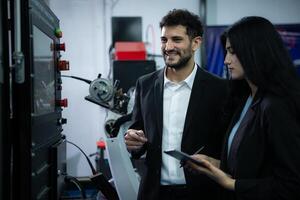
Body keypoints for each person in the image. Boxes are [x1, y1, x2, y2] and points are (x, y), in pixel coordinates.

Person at [185, 16, 300, 200]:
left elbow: (291, 184)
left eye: (232, 52)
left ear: (255, 51)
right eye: (226, 52)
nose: (226, 61)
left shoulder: (276, 106)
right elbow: (252, 163)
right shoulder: (245, 98)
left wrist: (231, 183)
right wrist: (215, 164)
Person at [124, 9, 230, 200]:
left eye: (177, 40)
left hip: (202, 193)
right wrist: (133, 141)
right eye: (164, 40)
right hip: (154, 193)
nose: (168, 47)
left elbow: (227, 147)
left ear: (196, 43)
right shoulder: (145, 84)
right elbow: (137, 131)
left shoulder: (220, 89)